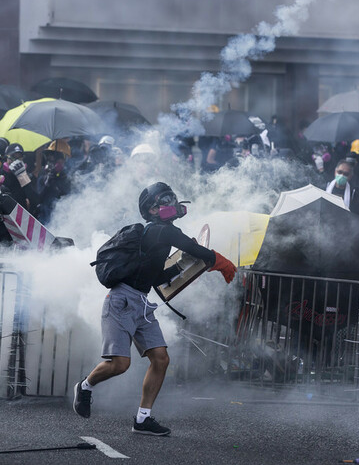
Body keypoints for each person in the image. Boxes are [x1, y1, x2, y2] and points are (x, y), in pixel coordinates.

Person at [72, 182, 237, 435]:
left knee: (160, 359)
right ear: (151, 210)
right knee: (119, 365)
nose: (171, 203)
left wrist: (180, 266)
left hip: (141, 302)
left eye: (172, 198)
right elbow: (192, 247)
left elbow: (153, 279)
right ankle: (84, 386)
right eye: (165, 200)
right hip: (121, 301)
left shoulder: (162, 234)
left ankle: (142, 419)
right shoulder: (161, 231)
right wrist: (218, 260)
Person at [37, 140, 72, 224]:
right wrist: (48, 181)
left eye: (53, 156)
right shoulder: (43, 173)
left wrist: (59, 177)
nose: (50, 158)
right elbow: (38, 198)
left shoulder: (69, 176)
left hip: (61, 218)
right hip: (44, 216)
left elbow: (68, 195)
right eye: (49, 155)